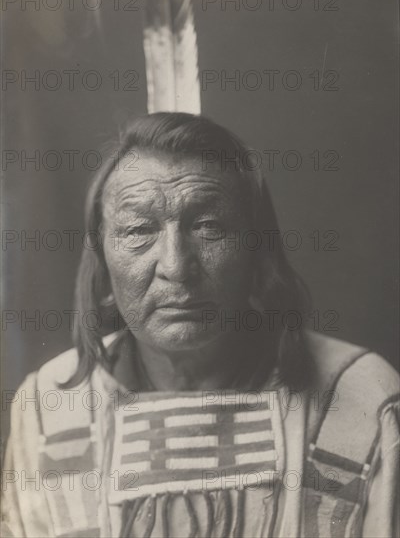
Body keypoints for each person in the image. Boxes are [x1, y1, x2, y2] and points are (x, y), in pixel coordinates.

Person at [2, 113, 399, 538]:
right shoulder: (48, 406)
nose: (176, 267)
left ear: (256, 250)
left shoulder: (361, 398)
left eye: (209, 227)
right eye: (138, 229)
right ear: (102, 258)